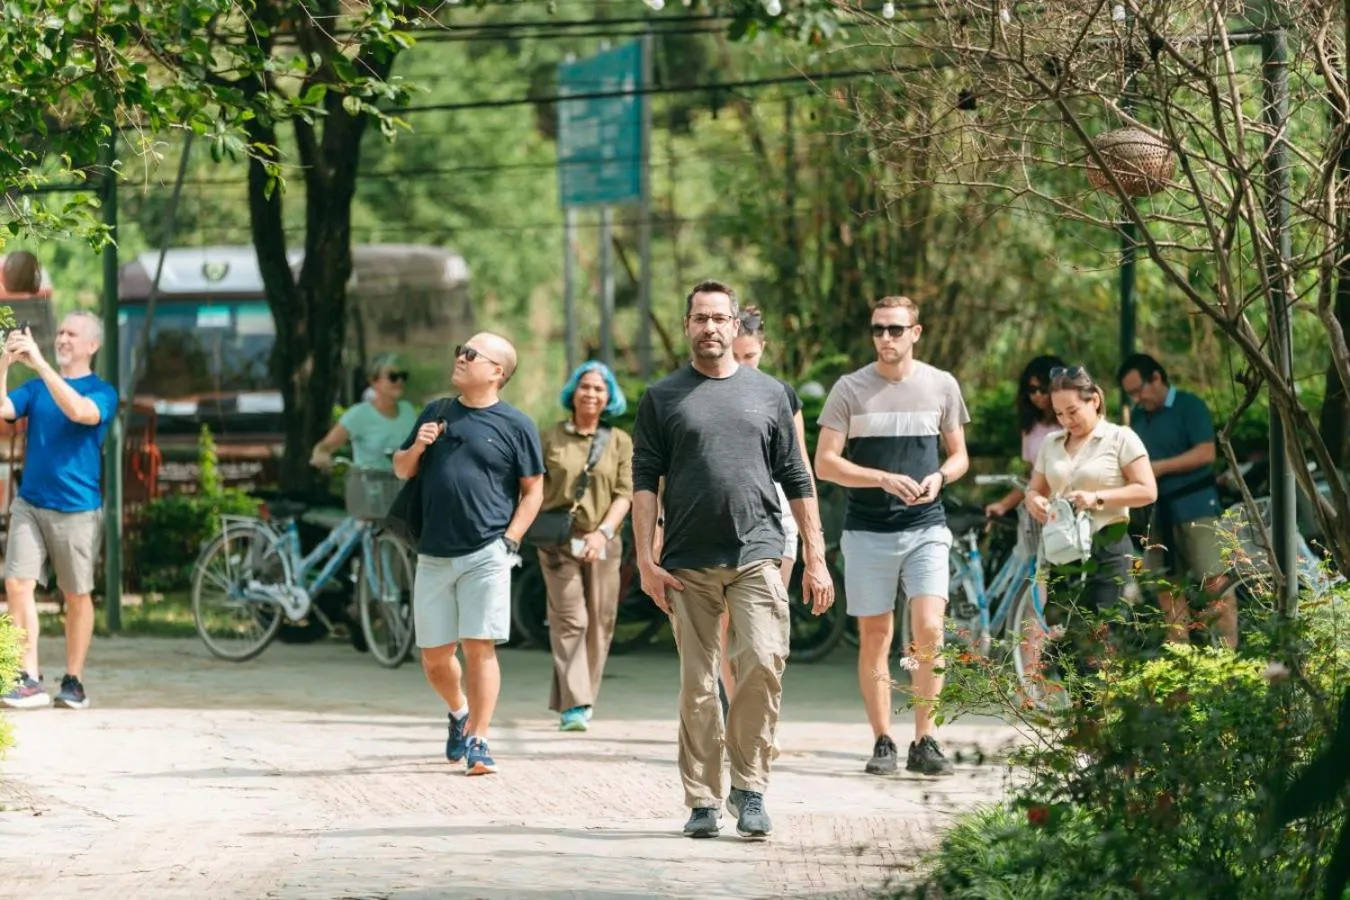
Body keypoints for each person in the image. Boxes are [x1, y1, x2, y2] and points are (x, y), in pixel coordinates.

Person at [632, 279, 834, 841]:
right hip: (687, 562)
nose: (711, 328)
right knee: (698, 684)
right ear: (688, 326)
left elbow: (797, 477)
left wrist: (815, 555)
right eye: (700, 318)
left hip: (758, 553)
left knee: (764, 664)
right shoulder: (662, 397)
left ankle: (750, 787)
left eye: (720, 318)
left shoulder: (769, 393)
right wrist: (645, 559)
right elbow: (644, 481)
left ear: (735, 326)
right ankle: (701, 800)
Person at [814, 295, 970, 778]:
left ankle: (926, 739)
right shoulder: (849, 389)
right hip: (867, 530)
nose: (886, 338)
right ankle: (883, 740)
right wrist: (880, 478)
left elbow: (960, 456)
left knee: (929, 630)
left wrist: (941, 478)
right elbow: (825, 462)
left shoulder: (941, 385)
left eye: (896, 330)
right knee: (876, 636)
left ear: (915, 333)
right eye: (879, 329)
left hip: (926, 527)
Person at [393, 333, 544, 776]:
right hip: (434, 552)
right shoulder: (436, 412)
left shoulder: (517, 425)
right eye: (460, 349)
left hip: (487, 551)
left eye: (472, 353)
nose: (461, 356)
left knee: (480, 647)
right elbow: (402, 469)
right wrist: (419, 445)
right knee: (435, 658)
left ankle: (479, 738)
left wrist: (510, 540)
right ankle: (459, 712)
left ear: (497, 371)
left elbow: (533, 491)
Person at [0, 312, 119, 710]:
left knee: (76, 594)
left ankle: (74, 681)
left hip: (78, 510)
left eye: (72, 333)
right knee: (17, 584)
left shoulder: (103, 392)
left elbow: (80, 413)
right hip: (30, 503)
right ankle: (28, 678)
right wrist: (5, 361)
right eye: (61, 333)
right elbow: (3, 407)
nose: (63, 338)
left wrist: (41, 364)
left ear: (92, 345)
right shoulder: (34, 388)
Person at [1024, 365, 1157, 672]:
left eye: (1073, 411)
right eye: (1059, 414)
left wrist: (1097, 498)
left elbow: (1148, 490)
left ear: (1094, 400)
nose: (1067, 420)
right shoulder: (1052, 443)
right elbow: (1034, 489)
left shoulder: (1120, 437)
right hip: (1064, 551)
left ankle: (1101, 714)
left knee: (1097, 637)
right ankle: (1081, 715)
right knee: (1065, 638)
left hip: (1106, 544)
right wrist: (1036, 501)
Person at [720, 306, 811, 710]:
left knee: (767, 626)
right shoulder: (710, 390)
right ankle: (734, 712)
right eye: (734, 356)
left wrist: (814, 538)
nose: (742, 366)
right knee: (725, 626)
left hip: (777, 519)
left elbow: (800, 465)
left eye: (749, 357)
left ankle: (759, 714)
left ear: (763, 349)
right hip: (725, 517)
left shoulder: (780, 394)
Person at [536, 361, 633, 732]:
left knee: (600, 621)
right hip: (558, 541)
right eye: (585, 387)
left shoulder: (620, 441)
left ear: (609, 397)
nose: (591, 394)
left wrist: (603, 533)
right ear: (572, 393)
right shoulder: (550, 437)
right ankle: (574, 705)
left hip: (602, 540)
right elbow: (531, 486)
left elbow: (625, 494)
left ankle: (582, 696)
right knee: (570, 619)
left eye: (599, 388)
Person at [1117, 353, 1234, 647]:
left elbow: (1206, 452)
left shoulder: (1188, 406)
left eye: (1138, 390)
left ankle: (1228, 661)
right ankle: (1180, 668)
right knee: (1167, 590)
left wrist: (1160, 468)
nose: (1136, 398)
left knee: (1215, 584)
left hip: (1196, 507)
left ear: (1156, 378)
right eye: (1130, 393)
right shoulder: (1140, 417)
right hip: (1158, 514)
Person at [984, 355, 1066, 520]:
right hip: (1039, 512)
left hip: (1071, 508)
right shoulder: (1030, 429)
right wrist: (1003, 505)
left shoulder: (1072, 424)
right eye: (1032, 390)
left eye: (1043, 389)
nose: (1038, 395)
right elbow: (1031, 479)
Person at [311, 353, 418, 472]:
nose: (399, 381)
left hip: (404, 487)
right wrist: (321, 456)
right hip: (369, 486)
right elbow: (325, 446)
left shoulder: (408, 411)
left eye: (403, 376)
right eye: (393, 377)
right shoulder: (359, 414)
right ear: (374, 382)